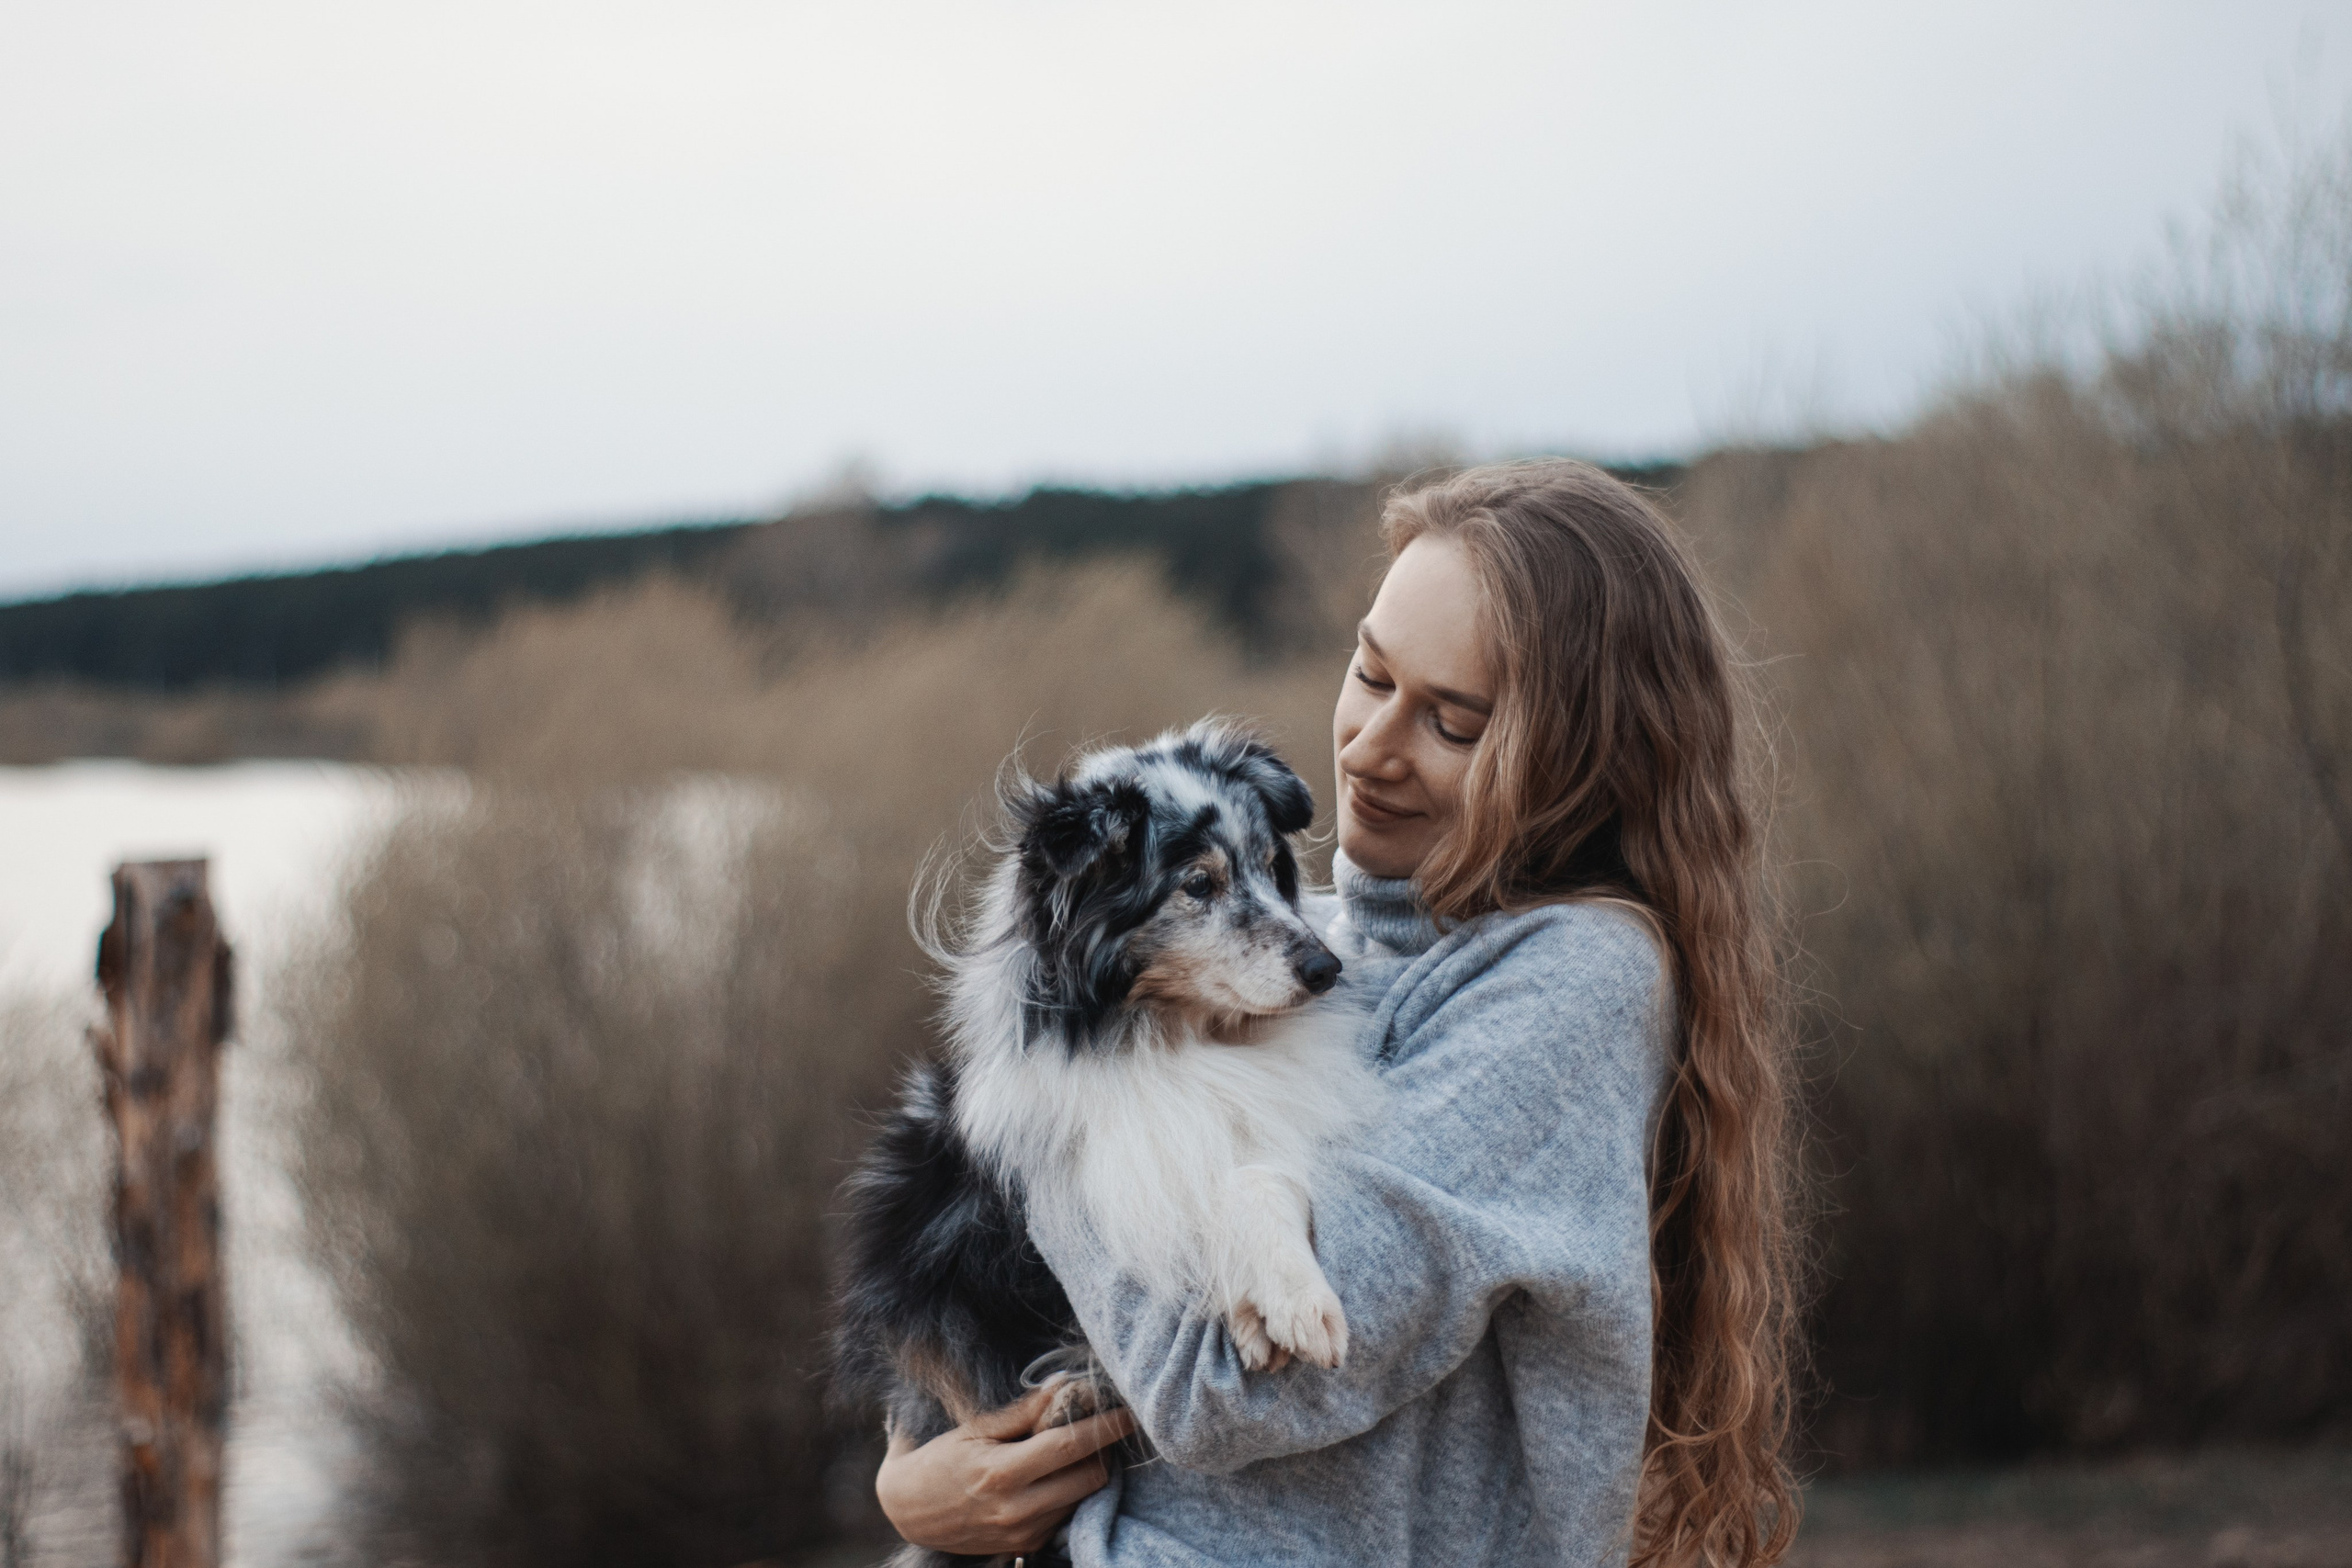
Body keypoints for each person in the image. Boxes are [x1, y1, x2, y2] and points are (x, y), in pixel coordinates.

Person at [874, 459, 1801, 1567]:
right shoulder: (1306, 946)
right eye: (1370, 673)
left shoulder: (1570, 981)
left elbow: (1214, 1388)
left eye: (1451, 723)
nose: (1367, 746)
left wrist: (1041, 1093)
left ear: (1572, 764)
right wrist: (912, 1484)